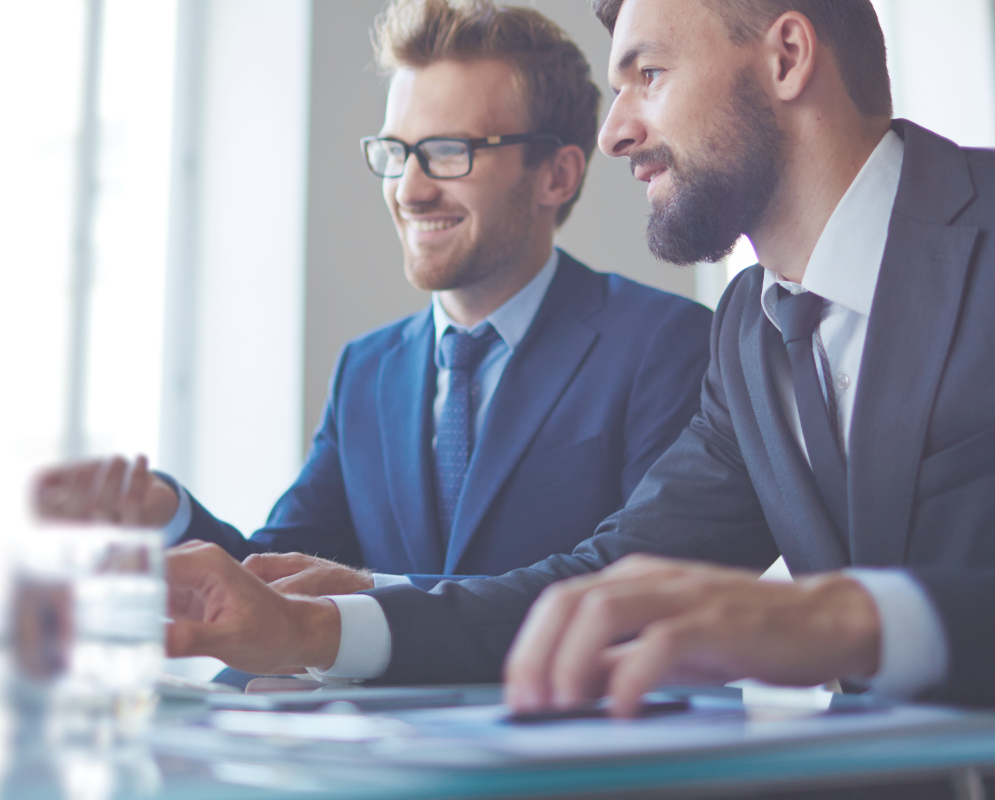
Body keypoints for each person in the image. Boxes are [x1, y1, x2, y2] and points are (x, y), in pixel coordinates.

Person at [155, 0, 995, 716]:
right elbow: (607, 583)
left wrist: (846, 622)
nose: (614, 131)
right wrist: (319, 629)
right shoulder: (750, 329)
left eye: (649, 76)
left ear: (786, 57)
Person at [35, 2, 710, 597]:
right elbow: (278, 579)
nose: (409, 190)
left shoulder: (664, 346)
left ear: (557, 175)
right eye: (395, 151)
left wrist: (370, 598)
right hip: (385, 744)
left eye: (448, 152)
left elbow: (638, 594)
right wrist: (169, 514)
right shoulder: (367, 370)